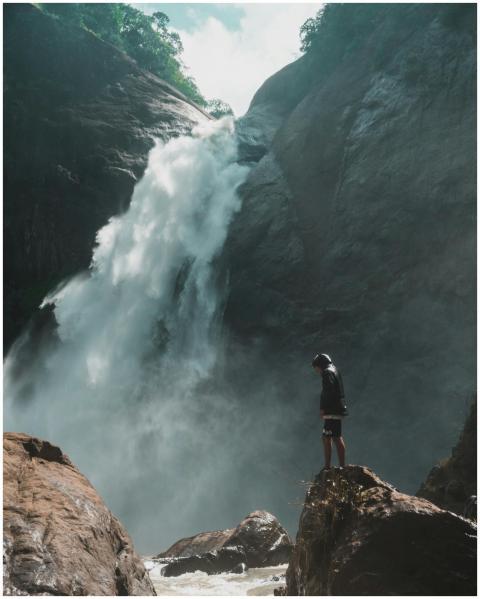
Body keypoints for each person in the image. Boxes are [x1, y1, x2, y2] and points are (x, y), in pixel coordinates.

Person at [312, 353, 347, 469]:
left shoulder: (327, 372)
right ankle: (342, 466)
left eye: (316, 368)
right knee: (336, 436)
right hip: (338, 408)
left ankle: (327, 467)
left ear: (320, 365)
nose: (316, 371)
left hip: (331, 410)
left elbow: (328, 391)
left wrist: (323, 408)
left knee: (327, 437)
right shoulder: (335, 369)